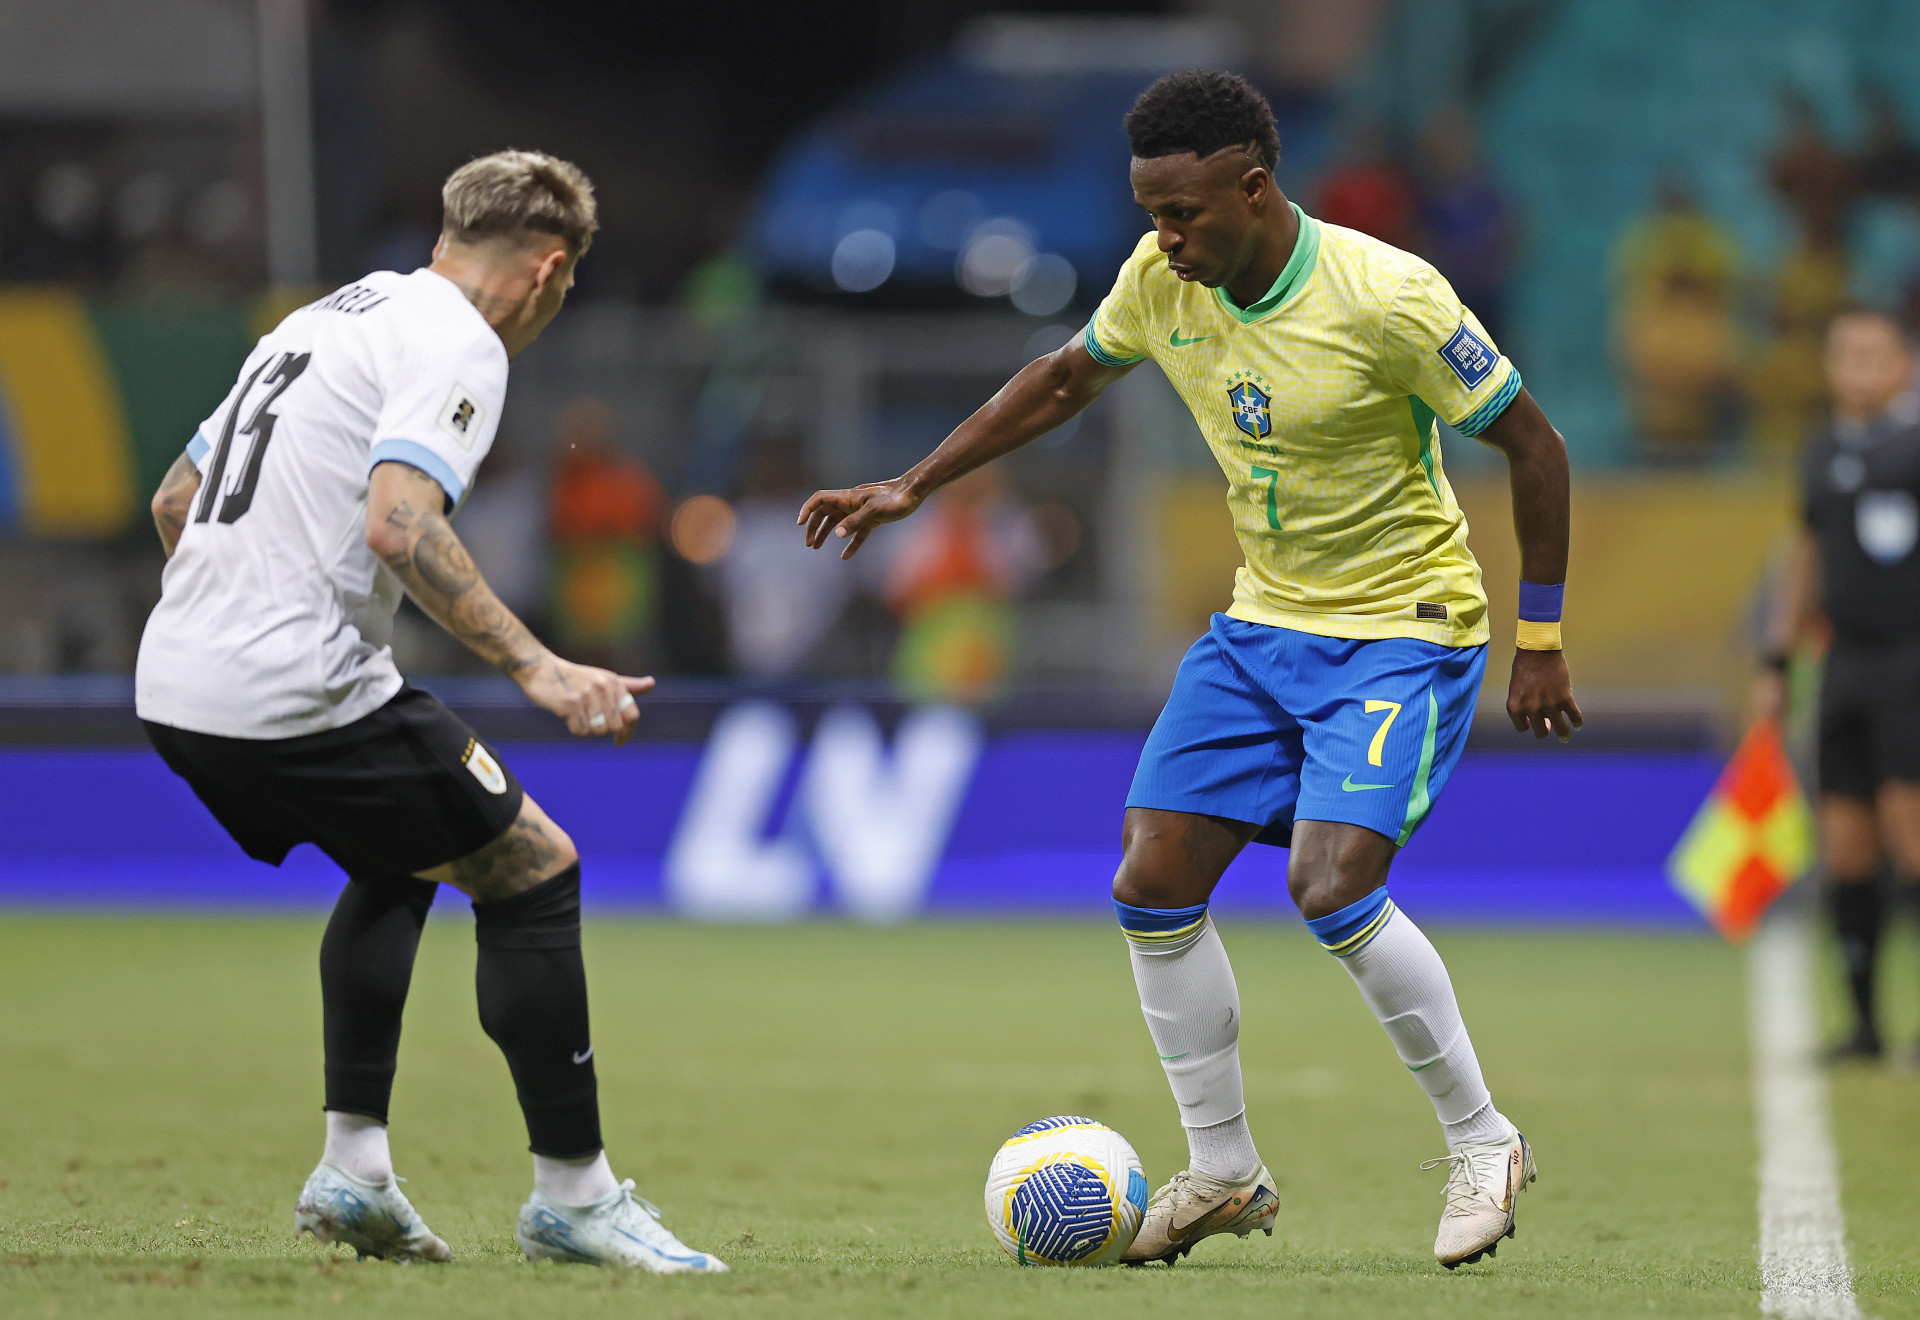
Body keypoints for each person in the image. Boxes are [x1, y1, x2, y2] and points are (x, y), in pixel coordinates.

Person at [800, 72, 1580, 1269]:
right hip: (1261, 630)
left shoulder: (1389, 296)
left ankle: (1484, 1139)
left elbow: (1535, 442)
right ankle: (1223, 1169)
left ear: (1253, 188)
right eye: (1151, 214)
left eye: (1184, 214)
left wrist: (1539, 637)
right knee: (1151, 880)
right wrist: (913, 482)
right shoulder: (1160, 280)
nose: (1164, 238)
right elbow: (1065, 378)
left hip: (1403, 626)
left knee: (1329, 888)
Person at [134, 151, 727, 1274]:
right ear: (550, 271)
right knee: (534, 865)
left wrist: (233, 618)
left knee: (406, 852)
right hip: (290, 685)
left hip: (173, 682)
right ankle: (576, 1197)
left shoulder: (321, 320)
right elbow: (401, 526)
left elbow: (176, 499)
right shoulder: (458, 340)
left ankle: (353, 1171)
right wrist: (541, 667)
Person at [1756, 307, 1920, 1065]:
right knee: (1847, 847)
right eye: (1842, 352)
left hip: (1910, 663)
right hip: (1845, 663)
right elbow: (1808, 556)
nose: (1854, 365)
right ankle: (1864, 1026)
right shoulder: (1821, 454)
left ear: (1904, 365)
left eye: (1871, 352)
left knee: (1910, 835)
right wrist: (1778, 660)